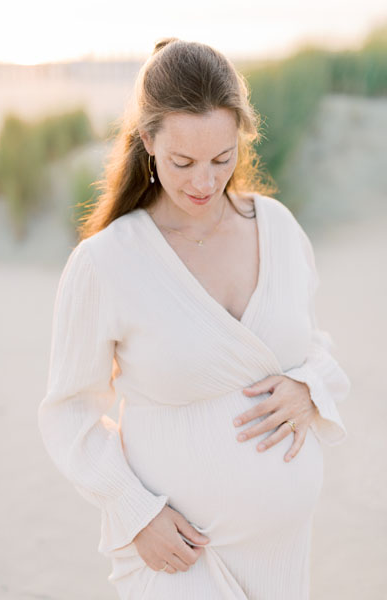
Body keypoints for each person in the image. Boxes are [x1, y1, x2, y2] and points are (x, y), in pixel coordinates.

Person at [38, 38, 350, 599]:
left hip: (281, 559)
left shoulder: (278, 228)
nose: (205, 183)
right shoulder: (107, 262)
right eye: (183, 163)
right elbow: (68, 413)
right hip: (176, 560)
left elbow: (313, 343)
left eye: (221, 158)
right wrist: (135, 512)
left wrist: (310, 387)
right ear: (147, 141)